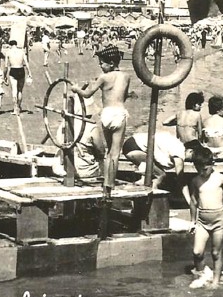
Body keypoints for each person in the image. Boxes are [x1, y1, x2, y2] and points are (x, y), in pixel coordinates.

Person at [71, 45, 130, 197]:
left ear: (110, 63)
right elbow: (123, 96)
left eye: (102, 63)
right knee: (115, 154)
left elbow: (87, 93)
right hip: (119, 112)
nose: (100, 66)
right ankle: (110, 186)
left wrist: (76, 89)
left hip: (107, 114)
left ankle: (106, 184)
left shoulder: (103, 78)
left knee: (108, 152)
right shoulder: (126, 76)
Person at [188, 146, 223, 289]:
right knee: (197, 252)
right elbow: (193, 201)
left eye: (205, 169)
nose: (202, 172)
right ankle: (202, 275)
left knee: (216, 252)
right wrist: (193, 221)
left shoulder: (220, 178)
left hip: (218, 219)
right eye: (198, 168)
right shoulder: (196, 180)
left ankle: (215, 281)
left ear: (212, 165)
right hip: (202, 221)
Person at [121, 130, 187, 194]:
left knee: (154, 174)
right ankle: (151, 196)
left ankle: (141, 186)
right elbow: (180, 179)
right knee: (160, 175)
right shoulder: (179, 153)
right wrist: (189, 201)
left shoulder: (176, 145)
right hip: (135, 147)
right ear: (190, 151)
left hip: (132, 144)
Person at [5, 39, 33, 115]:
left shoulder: (8, 52)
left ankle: (15, 108)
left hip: (13, 69)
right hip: (21, 69)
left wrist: (5, 76)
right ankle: (19, 106)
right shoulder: (22, 51)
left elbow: (6, 66)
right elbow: (26, 63)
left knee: (14, 90)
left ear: (10, 45)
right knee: (20, 90)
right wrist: (29, 72)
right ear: (16, 44)